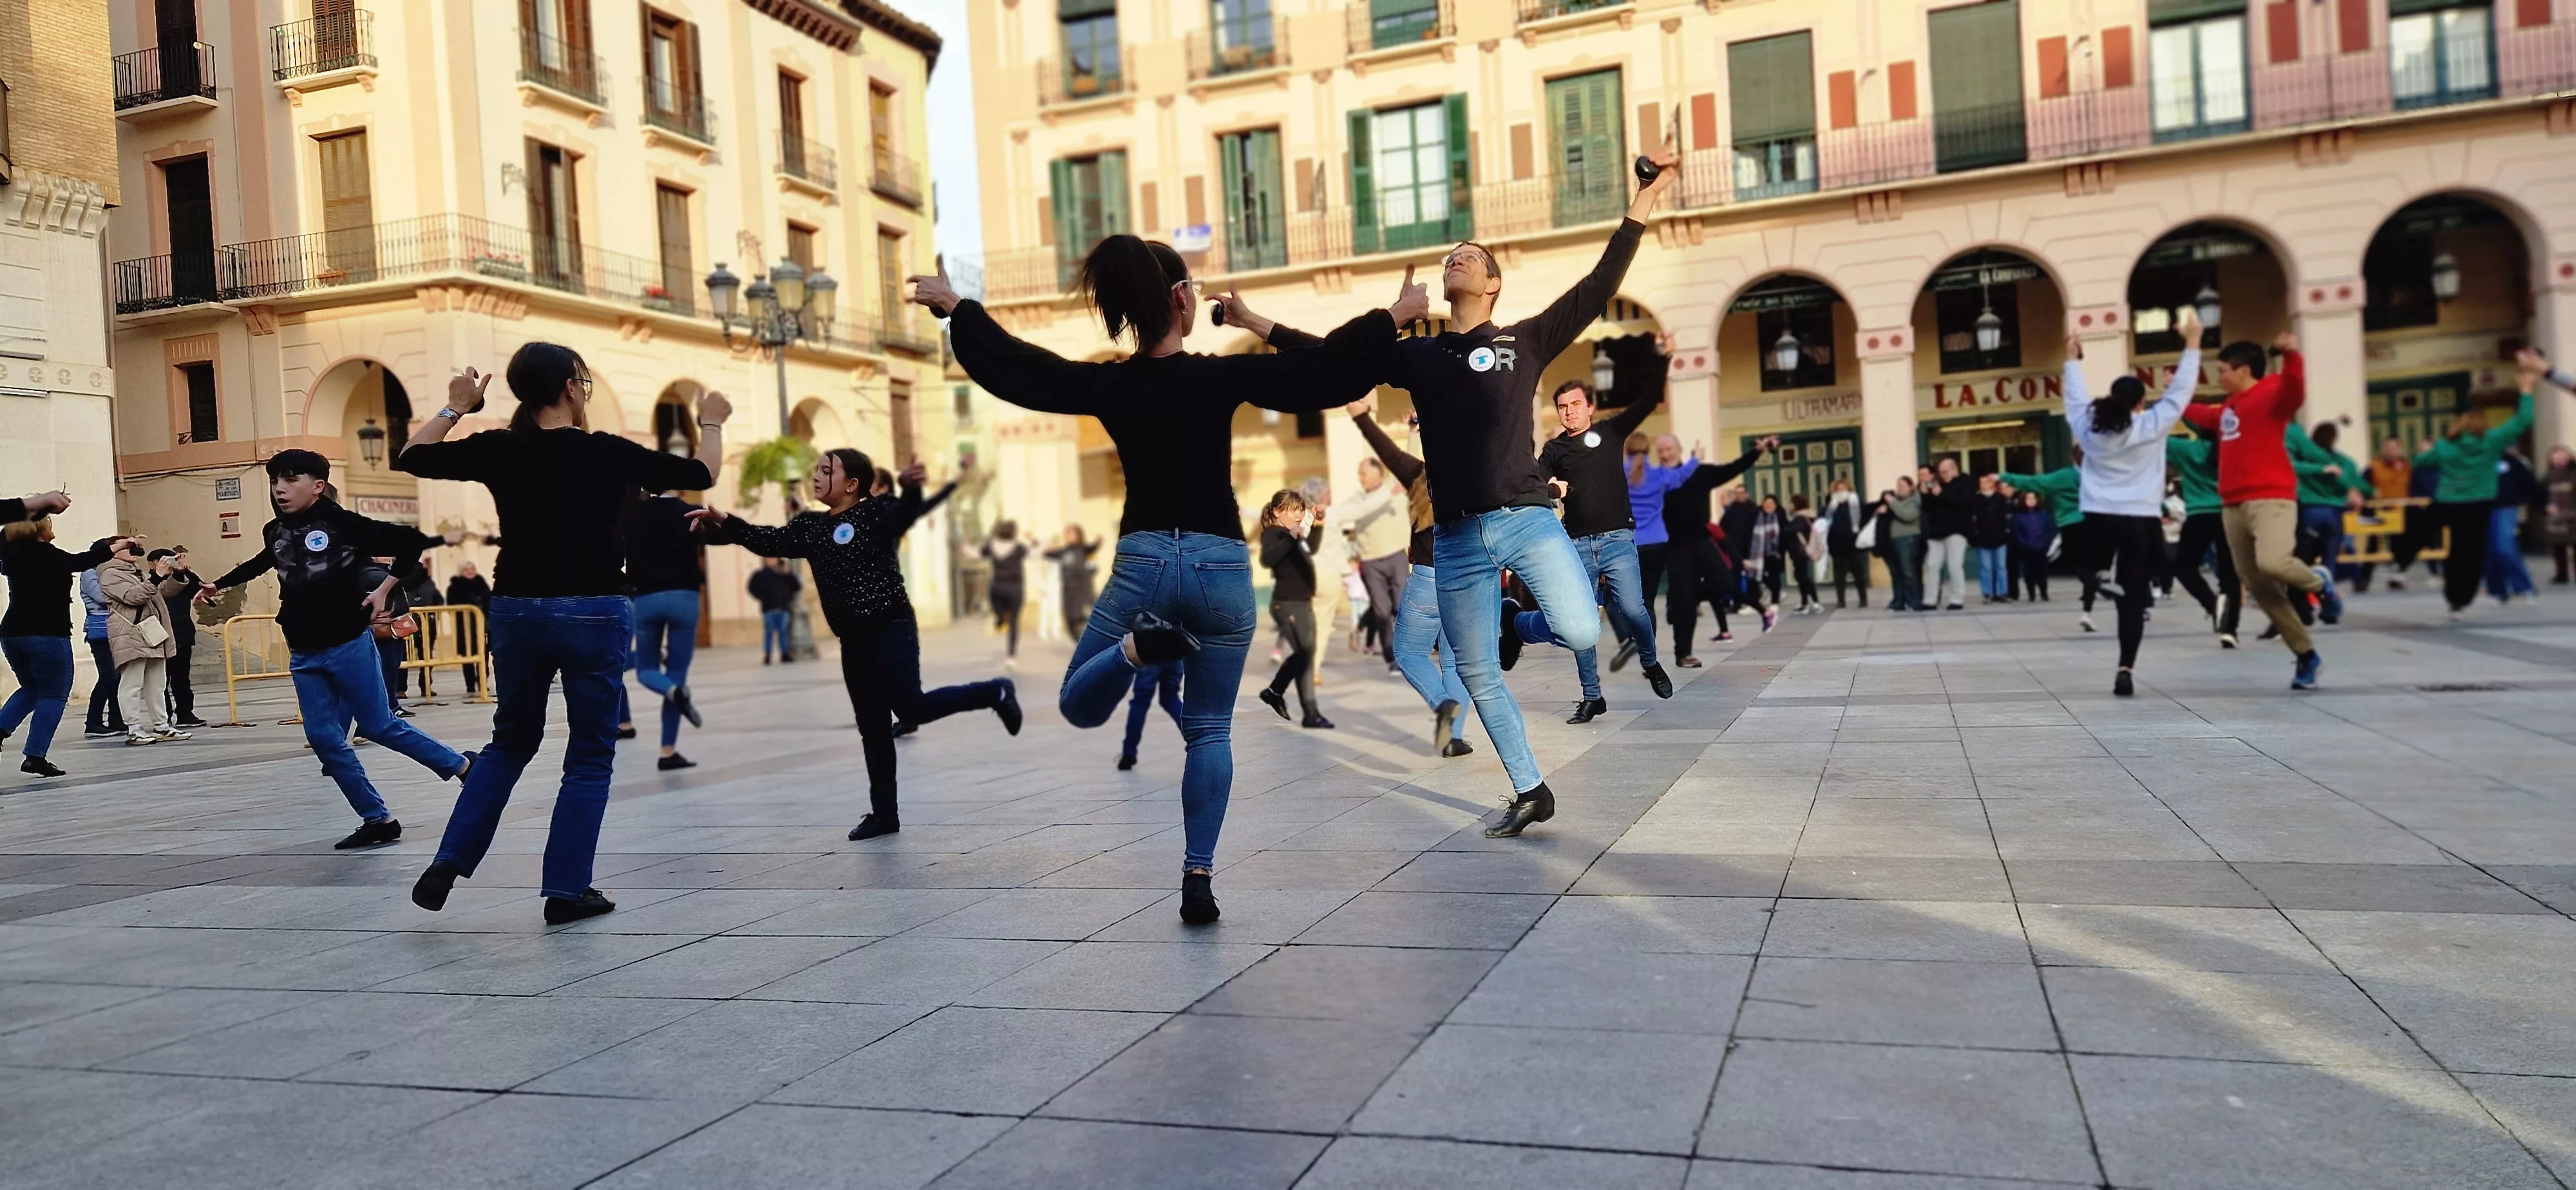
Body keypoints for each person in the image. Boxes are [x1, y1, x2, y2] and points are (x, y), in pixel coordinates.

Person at [915, 231, 1412, 924]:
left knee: (1078, 702)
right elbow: (1326, 370)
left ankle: (1134, 651)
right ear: (1181, 299)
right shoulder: (1221, 377)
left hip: (1144, 565)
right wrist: (1393, 317)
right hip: (1219, 568)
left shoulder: (1109, 384)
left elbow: (1022, 369)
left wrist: (958, 311)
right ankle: (1198, 878)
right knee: (1208, 732)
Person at [401, 346, 730, 925]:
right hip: (593, 610)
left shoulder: (500, 448)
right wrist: (711, 422)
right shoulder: (607, 452)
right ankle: (566, 890)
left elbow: (413, 457)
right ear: (572, 389)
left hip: (517, 611)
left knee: (510, 744)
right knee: (589, 755)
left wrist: (457, 407)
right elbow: (702, 474)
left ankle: (448, 861)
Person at [696, 451, 1019, 840]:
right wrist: (725, 523)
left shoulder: (876, 512)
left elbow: (907, 512)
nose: (816, 476)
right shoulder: (810, 526)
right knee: (873, 727)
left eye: (827, 471)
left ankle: (996, 691)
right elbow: (768, 540)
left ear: (852, 485)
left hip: (891, 627)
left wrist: (911, 487)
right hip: (853, 638)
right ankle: (884, 816)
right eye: (816, 469)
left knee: (911, 707)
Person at [200, 450, 468, 847]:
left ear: (318, 486)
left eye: (291, 480)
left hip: (347, 642)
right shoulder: (275, 530)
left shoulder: (342, 523)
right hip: (303, 650)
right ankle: (378, 819)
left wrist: (384, 590)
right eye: (275, 481)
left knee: (379, 726)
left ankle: (463, 768)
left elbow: (410, 543)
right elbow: (262, 562)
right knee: (324, 739)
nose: (279, 489)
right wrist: (218, 584)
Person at [2181, 332, 2338, 688]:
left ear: (2243, 370)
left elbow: (2296, 391)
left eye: (2223, 370)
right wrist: (2169, 403)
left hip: (2271, 498)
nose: (2219, 377)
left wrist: (2291, 355)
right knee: (2258, 584)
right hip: (2232, 504)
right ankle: (2306, 655)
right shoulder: (2229, 408)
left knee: (2274, 562)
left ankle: (2320, 583)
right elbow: (2202, 416)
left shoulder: (2271, 392)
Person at [1534, 366, 1678, 722]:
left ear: (1590, 407)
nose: (1569, 411)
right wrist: (1553, 490)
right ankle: (1592, 696)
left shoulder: (1610, 432)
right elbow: (1530, 486)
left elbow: (1648, 400)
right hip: (1577, 545)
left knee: (1633, 609)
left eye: (1576, 404)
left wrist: (1663, 358)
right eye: (1563, 407)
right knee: (1581, 623)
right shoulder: (1554, 449)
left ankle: (1650, 662)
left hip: (1617, 540)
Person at [2063, 319, 2197, 695]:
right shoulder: (2151, 424)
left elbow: (2074, 397)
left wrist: (2072, 360)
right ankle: (2125, 668)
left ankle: (2096, 579)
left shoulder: (2089, 426)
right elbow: (2181, 394)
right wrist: (2192, 345)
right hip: (2140, 519)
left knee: (2089, 565)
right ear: (2141, 402)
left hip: (2098, 515)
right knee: (2133, 598)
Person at [1350, 396, 1475, 757]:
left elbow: (1387, 453)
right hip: (1467, 580)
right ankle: (1451, 738)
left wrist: (1362, 417)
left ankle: (1441, 703)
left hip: (1429, 578)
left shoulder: (1421, 476)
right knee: (1454, 661)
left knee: (1408, 652)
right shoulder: (1478, 477)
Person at [0, 520, 128, 777]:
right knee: (54, 695)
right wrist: (115, 547)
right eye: (48, 522)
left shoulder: (11, 554)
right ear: (38, 530)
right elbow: (81, 561)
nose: (52, 526)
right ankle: (35, 756)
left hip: (13, 633)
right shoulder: (47, 554)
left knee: (32, 688)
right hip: (46, 634)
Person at [2412, 369, 2537, 620]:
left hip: (2457, 503)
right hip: (2485, 504)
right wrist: (2526, 391)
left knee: (2462, 551)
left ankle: (2456, 600)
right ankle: (2480, 594)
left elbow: (2420, 463)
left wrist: (2434, 456)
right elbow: (2523, 420)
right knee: (2484, 551)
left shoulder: (2446, 447)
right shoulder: (2492, 440)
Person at [1663, 441, 1777, 657]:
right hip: (1675, 547)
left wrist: (1757, 451)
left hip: (1701, 543)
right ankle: (1684, 653)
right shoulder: (1658, 479)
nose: (1665, 454)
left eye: (1669, 449)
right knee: (1684, 601)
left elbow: (1733, 468)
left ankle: (1694, 600)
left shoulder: (1701, 474)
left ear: (1679, 451)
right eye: (1661, 451)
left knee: (1723, 586)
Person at [622, 486, 706, 770]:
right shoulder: (690, 512)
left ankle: (672, 691)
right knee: (677, 674)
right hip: (685, 597)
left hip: (646, 599)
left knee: (647, 670)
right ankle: (667, 751)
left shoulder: (632, 515)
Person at [1254, 489, 1332, 729]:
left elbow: (1311, 549)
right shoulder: (1273, 534)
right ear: (1277, 512)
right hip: (1287, 604)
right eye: (1293, 511)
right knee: (1304, 655)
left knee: (1306, 654)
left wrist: (1317, 525)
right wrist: (1291, 537)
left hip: (1302, 602)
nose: (1299, 516)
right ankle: (1310, 712)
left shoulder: (1291, 535)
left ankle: (1275, 692)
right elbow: (1268, 560)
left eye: (1300, 511)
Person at [97, 538, 187, 746]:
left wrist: (177, 573)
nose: (134, 551)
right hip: (131, 633)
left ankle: (162, 725)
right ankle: (134, 729)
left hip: (151, 633)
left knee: (158, 683)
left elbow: (162, 592)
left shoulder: (138, 573)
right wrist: (156, 577)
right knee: (132, 684)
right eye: (128, 547)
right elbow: (134, 597)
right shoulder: (109, 574)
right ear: (114, 551)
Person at [2166, 428, 2240, 646]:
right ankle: (2230, 631)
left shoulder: (2186, 449)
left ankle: (2211, 604)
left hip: (2199, 515)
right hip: (2229, 512)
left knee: (2184, 567)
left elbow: (2158, 435)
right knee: (2230, 573)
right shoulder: (2233, 449)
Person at [1341, 453, 1412, 669]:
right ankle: (1392, 658)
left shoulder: (1396, 488)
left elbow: (1413, 467)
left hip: (1396, 556)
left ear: (1377, 473)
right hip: (1371, 562)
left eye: (1363, 473)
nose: (1360, 478)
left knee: (1402, 605)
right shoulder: (1358, 499)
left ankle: (1408, 651)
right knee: (1381, 611)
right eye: (1359, 474)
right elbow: (1344, 513)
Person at [1627, 434, 1697, 648]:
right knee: (1649, 601)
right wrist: (1695, 459)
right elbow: (1681, 475)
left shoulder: (1619, 474)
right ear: (1649, 451)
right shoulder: (1659, 474)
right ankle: (1649, 652)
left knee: (1630, 600)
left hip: (1631, 544)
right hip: (1657, 543)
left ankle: (1632, 640)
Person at [2288, 421, 2369, 590]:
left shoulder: (2303, 460)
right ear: (2335, 438)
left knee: (2304, 555)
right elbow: (2352, 482)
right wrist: (2361, 491)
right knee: (2330, 556)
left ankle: (2303, 589)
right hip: (2333, 511)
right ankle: (2328, 590)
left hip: (2309, 510)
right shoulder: (2341, 462)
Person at [148, 546, 209, 727]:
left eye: (171, 560)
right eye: (162, 561)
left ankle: (185, 713)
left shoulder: (183, 578)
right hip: (159, 635)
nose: (167, 564)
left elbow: (199, 588)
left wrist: (182, 569)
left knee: (182, 677)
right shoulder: (149, 581)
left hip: (182, 633)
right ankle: (164, 716)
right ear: (152, 564)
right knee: (161, 679)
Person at [1918, 457, 1977, 610]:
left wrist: (1942, 494)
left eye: (1945, 472)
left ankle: (1957, 599)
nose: (1943, 475)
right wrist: (1925, 494)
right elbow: (1929, 508)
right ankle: (1930, 600)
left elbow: (1964, 503)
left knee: (1954, 566)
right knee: (1932, 565)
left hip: (1958, 530)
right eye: (1941, 472)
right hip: (1937, 532)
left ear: (1954, 469)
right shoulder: (1939, 484)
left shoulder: (1966, 483)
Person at [2488, 447, 2539, 603]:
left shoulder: (2512, 461)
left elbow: (2529, 482)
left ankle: (2523, 586)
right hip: (2483, 508)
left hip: (2506, 508)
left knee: (2505, 547)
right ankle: (2497, 589)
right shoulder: (2479, 459)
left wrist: (2536, 502)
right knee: (2490, 551)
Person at [79, 565, 123, 739]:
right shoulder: (89, 574)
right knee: (108, 676)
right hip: (99, 630)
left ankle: (116, 719)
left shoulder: (109, 572)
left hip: (115, 628)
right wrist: (124, 592)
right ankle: (93, 722)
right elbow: (101, 597)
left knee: (117, 677)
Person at [1117, 659, 1184, 771]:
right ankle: (1196, 739)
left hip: (1150, 656)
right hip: (1176, 656)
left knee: (1140, 703)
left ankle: (1129, 752)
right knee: (1171, 699)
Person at [983, 522, 1028, 668]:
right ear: (1013, 533)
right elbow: (1034, 552)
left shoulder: (991, 546)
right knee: (1014, 622)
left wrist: (964, 546)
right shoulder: (1019, 547)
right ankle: (1011, 657)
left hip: (998, 587)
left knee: (999, 612)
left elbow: (976, 553)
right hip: (1016, 588)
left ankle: (1000, 619)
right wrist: (1046, 542)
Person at [1879, 477, 1927, 611]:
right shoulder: (1896, 501)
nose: (1899, 488)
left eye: (1903, 485)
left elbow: (1908, 516)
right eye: (1898, 485)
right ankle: (1899, 601)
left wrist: (1893, 503)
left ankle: (1914, 601)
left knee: (1908, 571)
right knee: (1897, 572)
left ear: (1911, 487)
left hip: (1908, 540)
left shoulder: (1914, 500)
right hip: (1894, 541)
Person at [444, 560, 491, 694]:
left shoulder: (482, 584)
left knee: (483, 655)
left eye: (472, 569)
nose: (470, 572)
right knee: (467, 656)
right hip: (465, 626)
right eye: (466, 569)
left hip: (482, 626)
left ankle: (483, 682)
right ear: (461, 572)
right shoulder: (455, 587)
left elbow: (488, 601)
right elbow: (452, 605)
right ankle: (470, 684)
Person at [1047, 525, 1102, 640]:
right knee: (1070, 621)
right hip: (1068, 590)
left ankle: (1087, 643)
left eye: (1071, 533)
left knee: (1081, 617)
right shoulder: (1063, 551)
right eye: (1067, 534)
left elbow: (1093, 548)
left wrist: (1098, 541)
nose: (1068, 536)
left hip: (1082, 589)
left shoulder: (1083, 549)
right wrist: (1050, 544)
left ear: (1078, 535)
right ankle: (1079, 642)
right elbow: (1048, 554)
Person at [1824, 480, 1871, 609]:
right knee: (1839, 575)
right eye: (1838, 489)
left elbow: (1865, 517)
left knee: (1858, 573)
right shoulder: (1831, 505)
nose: (1841, 492)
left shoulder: (1856, 503)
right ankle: (1841, 600)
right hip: (1836, 543)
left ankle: (1863, 599)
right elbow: (1825, 520)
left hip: (1854, 543)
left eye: (1844, 489)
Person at [747, 557, 800, 662]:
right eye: (769, 559)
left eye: (773, 558)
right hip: (768, 608)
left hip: (783, 607)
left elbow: (797, 587)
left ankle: (785, 654)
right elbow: (751, 588)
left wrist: (788, 575)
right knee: (769, 632)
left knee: (783, 631)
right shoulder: (760, 574)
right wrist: (762, 597)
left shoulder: (784, 573)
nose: (771, 561)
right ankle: (768, 655)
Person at [1971, 474, 2013, 603]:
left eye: (1985, 482)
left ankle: (2002, 593)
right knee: (1986, 568)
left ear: (1992, 484)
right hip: (1983, 538)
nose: (1982, 485)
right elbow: (1973, 519)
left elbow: (2008, 516)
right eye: (1981, 482)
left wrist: (2006, 532)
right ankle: (1988, 593)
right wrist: (1975, 534)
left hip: (2000, 537)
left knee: (2001, 567)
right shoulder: (1975, 499)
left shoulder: (2001, 498)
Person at [2008, 491, 2055, 601]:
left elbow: (2050, 529)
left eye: (2033, 498)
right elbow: (2017, 533)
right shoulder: (2018, 516)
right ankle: (2031, 593)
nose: (2031, 501)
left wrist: (2046, 542)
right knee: (2029, 572)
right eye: (2028, 498)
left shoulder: (2044, 514)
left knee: (2042, 571)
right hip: (2027, 548)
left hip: (2042, 547)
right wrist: (2025, 543)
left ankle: (2044, 592)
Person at [2542, 445, 2576, 585]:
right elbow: (2540, 493)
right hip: (2556, 518)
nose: (2559, 459)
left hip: (2573, 514)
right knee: (2558, 546)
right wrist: (2546, 506)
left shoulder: (2573, 473)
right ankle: (2562, 574)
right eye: (2556, 456)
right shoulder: (2548, 476)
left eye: (2562, 455)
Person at [1786, 492, 1822, 614]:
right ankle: (1805, 602)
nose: (1790, 506)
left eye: (1791, 504)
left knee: (1803, 577)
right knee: (1800, 576)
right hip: (1799, 551)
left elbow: (1793, 532)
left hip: (1800, 551)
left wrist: (1787, 528)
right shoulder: (1805, 517)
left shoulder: (1800, 518)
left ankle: (1815, 602)